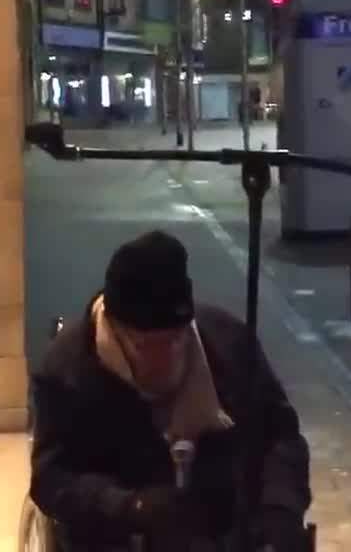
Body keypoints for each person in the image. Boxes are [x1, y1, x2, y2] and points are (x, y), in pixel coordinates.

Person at [29, 230, 312, 551]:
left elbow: (281, 435)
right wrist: (129, 505)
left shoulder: (228, 344)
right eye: (148, 345)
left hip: (222, 528)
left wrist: (280, 510)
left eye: (176, 339)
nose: (166, 357)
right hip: (121, 535)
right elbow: (51, 477)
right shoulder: (68, 370)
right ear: (115, 329)